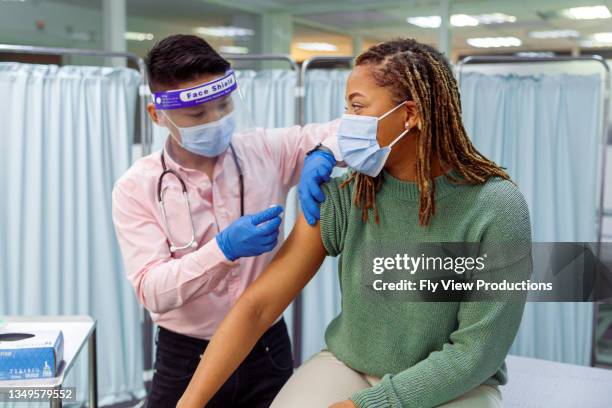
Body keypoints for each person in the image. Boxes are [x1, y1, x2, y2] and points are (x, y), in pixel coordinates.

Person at [177, 38, 533, 408]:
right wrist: (189, 403)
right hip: (351, 366)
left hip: (455, 382)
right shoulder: (347, 196)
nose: (345, 124)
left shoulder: (496, 207)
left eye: (357, 107)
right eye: (346, 107)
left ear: (410, 114)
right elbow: (258, 307)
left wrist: (368, 405)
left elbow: (476, 352)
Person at [111, 34, 340, 408]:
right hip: (185, 356)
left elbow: (353, 127)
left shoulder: (263, 150)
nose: (216, 120)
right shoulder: (137, 187)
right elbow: (153, 289)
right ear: (158, 114)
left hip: (265, 348)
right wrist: (223, 250)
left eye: (223, 106)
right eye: (197, 114)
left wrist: (326, 151)